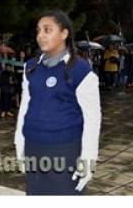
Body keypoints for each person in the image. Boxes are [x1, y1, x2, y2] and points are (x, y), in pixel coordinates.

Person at [15, 10, 101, 195]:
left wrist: (88, 159)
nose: (40, 36)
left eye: (47, 30)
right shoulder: (30, 67)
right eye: (38, 31)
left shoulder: (81, 71)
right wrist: (19, 142)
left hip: (64, 151)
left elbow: (92, 119)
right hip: (33, 147)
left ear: (64, 33)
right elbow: (25, 107)